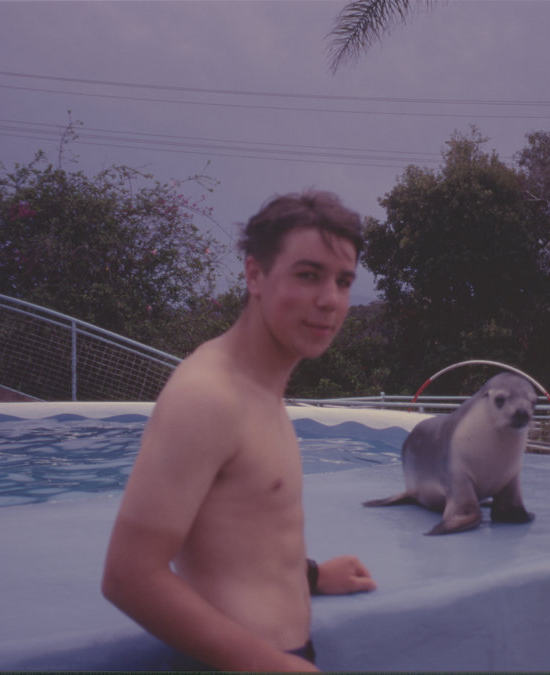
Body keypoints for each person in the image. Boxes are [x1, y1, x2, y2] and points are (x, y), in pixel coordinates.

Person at [102, 190, 377, 672]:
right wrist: (271, 666)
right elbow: (129, 575)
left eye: (343, 280)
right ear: (255, 274)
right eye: (308, 275)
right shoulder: (208, 397)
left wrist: (311, 576)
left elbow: (239, 532)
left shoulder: (260, 386)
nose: (329, 300)